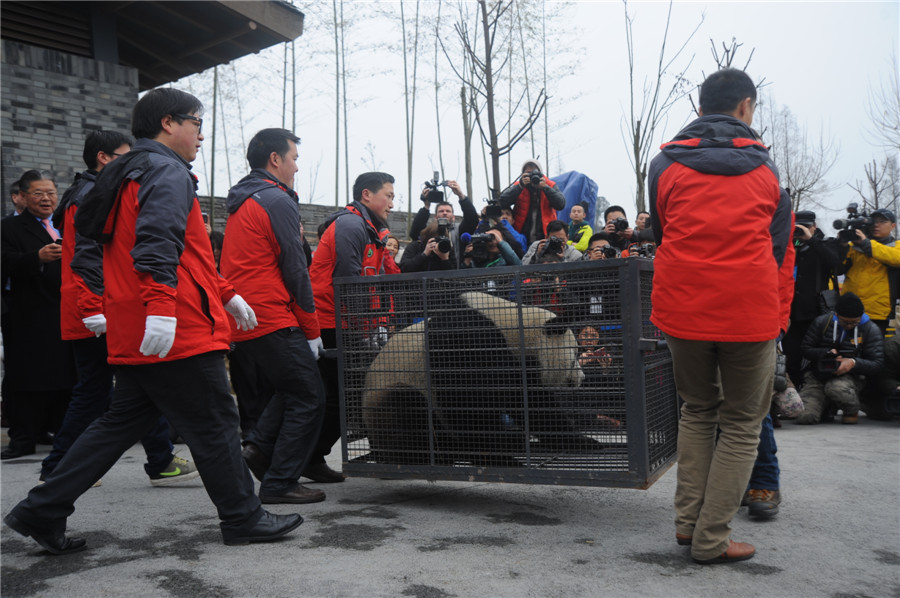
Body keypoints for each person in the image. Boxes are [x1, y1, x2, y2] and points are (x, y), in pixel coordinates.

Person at [4, 88, 303, 555]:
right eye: (197, 124)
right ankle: (244, 517)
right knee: (216, 422)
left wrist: (225, 293)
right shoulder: (165, 169)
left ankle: (40, 509)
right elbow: (158, 242)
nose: (200, 135)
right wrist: (163, 308)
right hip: (175, 326)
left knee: (119, 423)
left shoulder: (116, 174)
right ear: (169, 123)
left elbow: (106, 254)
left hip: (137, 324)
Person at [648, 68, 792, 565]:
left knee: (697, 410)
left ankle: (688, 525)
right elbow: (777, 249)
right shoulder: (767, 169)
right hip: (748, 309)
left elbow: (663, 231)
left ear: (700, 107)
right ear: (745, 106)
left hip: (682, 304)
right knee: (742, 423)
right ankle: (711, 539)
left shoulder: (664, 163)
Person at [41, 129, 198, 487]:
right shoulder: (92, 193)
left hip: (94, 307)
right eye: (125, 155)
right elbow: (87, 256)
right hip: (96, 310)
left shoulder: (89, 191)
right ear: (104, 158)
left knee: (119, 389)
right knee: (113, 390)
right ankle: (60, 467)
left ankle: (157, 459)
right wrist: (93, 308)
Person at [220, 128, 327, 505]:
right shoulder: (275, 199)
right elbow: (295, 268)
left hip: (248, 314)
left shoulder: (246, 198)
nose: (297, 167)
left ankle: (259, 448)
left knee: (292, 388)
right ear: (275, 159)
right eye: (294, 158)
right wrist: (311, 328)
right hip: (270, 313)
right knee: (309, 395)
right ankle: (280, 481)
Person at [308, 171, 395, 483]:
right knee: (344, 395)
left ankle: (310, 456)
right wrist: (365, 329)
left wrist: (377, 322)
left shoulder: (368, 229)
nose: (392, 203)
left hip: (346, 321)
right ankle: (306, 457)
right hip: (333, 322)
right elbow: (349, 281)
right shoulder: (351, 225)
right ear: (367, 195)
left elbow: (373, 283)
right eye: (388, 196)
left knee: (347, 395)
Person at [1, 170, 74, 460]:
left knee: (63, 375)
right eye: (38, 194)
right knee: (27, 378)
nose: (46, 199)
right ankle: (22, 438)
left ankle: (53, 429)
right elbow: (4, 261)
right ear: (22, 196)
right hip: (27, 314)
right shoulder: (9, 227)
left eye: (51, 193)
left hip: (63, 310)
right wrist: (36, 258)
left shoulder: (62, 224)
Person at [795, 293, 884, 425]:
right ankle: (826, 406)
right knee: (805, 417)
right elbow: (805, 349)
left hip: (850, 377)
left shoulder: (870, 329)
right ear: (836, 314)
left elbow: (877, 364)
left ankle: (851, 410)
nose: (849, 325)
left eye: (854, 322)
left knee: (836, 388)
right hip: (819, 375)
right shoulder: (822, 322)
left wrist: (853, 363)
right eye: (844, 322)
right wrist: (825, 353)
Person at [783, 211, 841, 386]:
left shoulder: (825, 243)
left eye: (806, 226)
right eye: (798, 227)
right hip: (791, 312)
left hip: (816, 312)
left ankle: (816, 391)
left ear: (814, 226)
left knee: (817, 355)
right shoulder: (790, 244)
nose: (802, 230)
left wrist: (811, 240)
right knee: (791, 357)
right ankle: (795, 390)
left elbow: (835, 263)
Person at [837, 208, 900, 335]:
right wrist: (841, 246)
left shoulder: (896, 246)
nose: (876, 225)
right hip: (850, 311)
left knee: (874, 346)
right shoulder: (854, 246)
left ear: (893, 226)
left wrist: (866, 243)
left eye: (882, 222)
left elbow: (895, 258)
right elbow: (838, 268)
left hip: (878, 312)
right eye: (873, 221)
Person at [498, 159, 566, 246]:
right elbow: (502, 202)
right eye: (528, 173)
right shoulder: (519, 185)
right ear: (523, 175)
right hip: (522, 236)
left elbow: (561, 204)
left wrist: (545, 187)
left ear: (540, 173)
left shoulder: (549, 185)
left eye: (534, 172)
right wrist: (520, 186)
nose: (532, 176)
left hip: (545, 234)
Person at [408, 180, 478, 265]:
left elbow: (472, 220)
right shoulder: (430, 231)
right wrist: (426, 206)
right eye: (441, 211)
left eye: (448, 211)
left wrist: (461, 196)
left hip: (454, 269)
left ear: (453, 217)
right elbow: (415, 233)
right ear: (436, 217)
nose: (445, 213)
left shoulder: (459, 230)